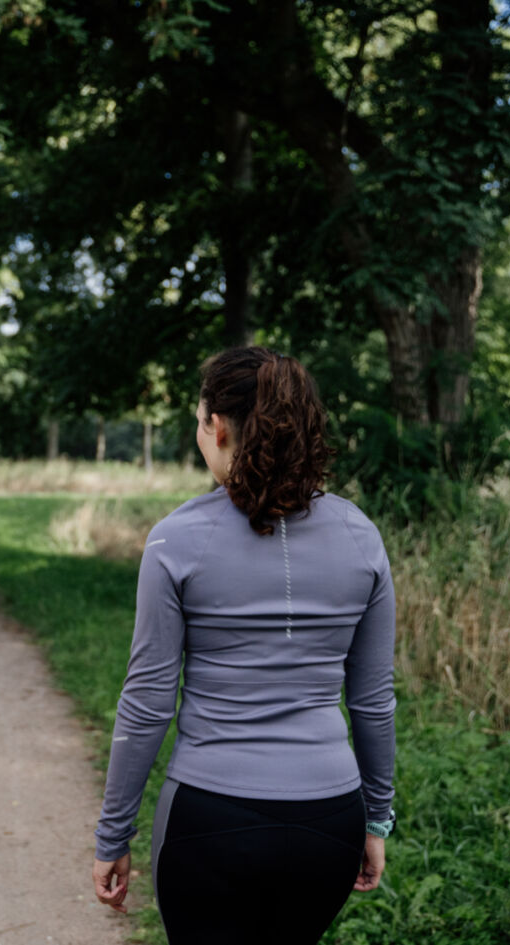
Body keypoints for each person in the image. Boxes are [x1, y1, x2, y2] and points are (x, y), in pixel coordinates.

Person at [89, 346, 396, 944]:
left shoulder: (174, 539)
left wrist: (113, 836)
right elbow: (373, 700)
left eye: (198, 417)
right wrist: (377, 819)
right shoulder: (362, 536)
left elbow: (149, 701)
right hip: (330, 818)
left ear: (218, 426)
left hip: (209, 817)